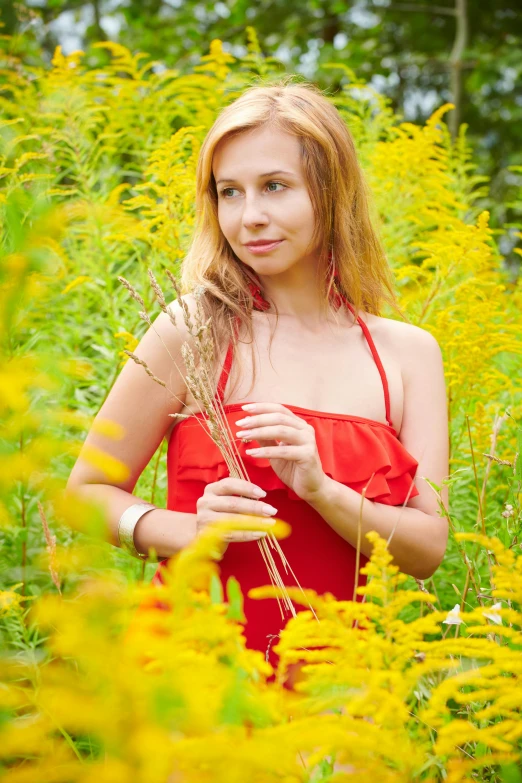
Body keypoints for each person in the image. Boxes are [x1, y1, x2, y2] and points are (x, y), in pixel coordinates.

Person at [66, 79, 449, 674]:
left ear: (332, 193)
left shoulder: (407, 354)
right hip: (200, 687)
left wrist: (323, 490)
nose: (250, 217)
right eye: (229, 192)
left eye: (275, 186)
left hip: (348, 697)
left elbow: (427, 551)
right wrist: (188, 530)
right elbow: (84, 496)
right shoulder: (193, 330)